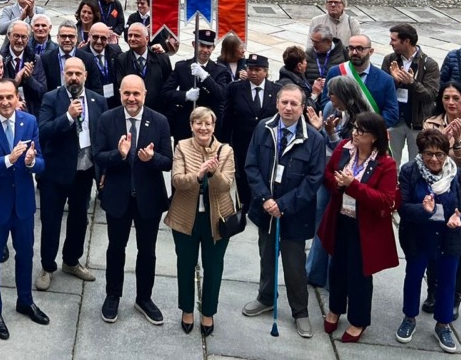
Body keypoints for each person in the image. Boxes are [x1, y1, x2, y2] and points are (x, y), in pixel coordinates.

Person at [242, 84, 326, 339]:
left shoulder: (314, 139)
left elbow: (314, 179)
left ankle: (300, 311)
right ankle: (266, 297)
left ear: (303, 108)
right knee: (266, 256)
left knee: (294, 265)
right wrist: (266, 199)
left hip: (295, 214)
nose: (288, 108)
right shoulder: (263, 128)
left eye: (294, 104)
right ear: (277, 103)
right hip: (265, 209)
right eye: (284, 102)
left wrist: (284, 204)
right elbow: (251, 166)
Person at [92, 75, 172, 325]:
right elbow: (98, 156)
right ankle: (113, 295)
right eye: (127, 93)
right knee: (116, 249)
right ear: (120, 93)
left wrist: (152, 159)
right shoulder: (108, 119)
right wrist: (119, 154)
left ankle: (144, 298)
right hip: (118, 198)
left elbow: (169, 161)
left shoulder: (159, 121)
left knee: (147, 252)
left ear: (145, 94)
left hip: (148, 199)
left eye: (136, 93)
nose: (131, 98)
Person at [0, 78, 47, 340]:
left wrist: (29, 162)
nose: (5, 102)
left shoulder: (30, 122)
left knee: (25, 255)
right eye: (0, 97)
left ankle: (25, 301)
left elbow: (41, 163)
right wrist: (8, 159)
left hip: (23, 204)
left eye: (9, 98)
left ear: (17, 98)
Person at [318, 112, 399, 343]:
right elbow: (328, 173)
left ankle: (358, 320)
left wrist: (352, 186)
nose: (354, 133)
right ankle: (334, 308)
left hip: (365, 228)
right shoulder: (344, 148)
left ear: (374, 137)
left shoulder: (386, 164)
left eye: (360, 131)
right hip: (340, 219)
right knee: (336, 268)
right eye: (354, 128)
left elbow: (384, 199)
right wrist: (339, 184)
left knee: (359, 274)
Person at [397, 129, 461, 353]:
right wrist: (422, 210)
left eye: (440, 154)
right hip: (419, 236)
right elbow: (402, 207)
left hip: (449, 238)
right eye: (428, 154)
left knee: (447, 281)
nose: (434, 159)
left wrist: (460, 219)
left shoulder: (458, 176)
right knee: (413, 277)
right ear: (420, 154)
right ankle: (409, 318)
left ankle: (443, 325)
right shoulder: (410, 172)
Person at [36, 56, 106, 291]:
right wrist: (68, 117)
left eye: (78, 73)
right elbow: (43, 132)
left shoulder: (98, 101)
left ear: (85, 75)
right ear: (63, 75)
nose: (74, 77)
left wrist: (102, 170)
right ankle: (47, 266)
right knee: (51, 221)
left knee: (79, 220)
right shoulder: (51, 98)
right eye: (69, 73)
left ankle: (71, 261)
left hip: (84, 173)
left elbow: (102, 138)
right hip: (55, 175)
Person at [419, 81, 461, 318]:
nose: (451, 103)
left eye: (456, 98)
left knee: (458, 247)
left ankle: (455, 295)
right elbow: (425, 155)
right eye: (447, 98)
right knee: (432, 244)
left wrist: (457, 143)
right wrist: (441, 140)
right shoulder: (431, 123)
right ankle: (433, 291)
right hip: (434, 192)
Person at [166, 107, 234, 336]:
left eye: (208, 124)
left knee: (214, 267)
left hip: (217, 219)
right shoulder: (182, 146)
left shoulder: (226, 151)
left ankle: (208, 312)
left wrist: (213, 174)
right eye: (198, 123)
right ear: (191, 125)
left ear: (214, 127)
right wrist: (197, 175)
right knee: (185, 264)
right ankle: (187, 310)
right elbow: (176, 181)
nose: (203, 128)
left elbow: (226, 186)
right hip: (186, 217)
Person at [220, 54, 278, 207]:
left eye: (257, 69)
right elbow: (227, 118)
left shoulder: (276, 90)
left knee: (264, 173)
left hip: (266, 143)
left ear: (265, 71)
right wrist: (224, 143)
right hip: (242, 143)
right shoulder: (235, 89)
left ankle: (262, 201)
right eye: (250, 69)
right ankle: (244, 203)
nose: (253, 73)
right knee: (243, 174)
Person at [383, 23, 441, 166]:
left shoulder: (429, 64)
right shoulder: (389, 60)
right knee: (389, 163)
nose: (391, 43)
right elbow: (381, 90)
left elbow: (430, 95)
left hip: (417, 123)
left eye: (394, 40)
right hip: (394, 121)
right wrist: (394, 81)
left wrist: (412, 83)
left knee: (417, 164)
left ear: (406, 41)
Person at [324, 35, 400, 128]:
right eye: (351, 48)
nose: (355, 52)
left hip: (372, 133)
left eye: (360, 48)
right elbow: (326, 101)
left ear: (371, 51)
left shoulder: (385, 79)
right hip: (341, 130)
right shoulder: (335, 72)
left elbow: (392, 112)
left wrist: (372, 129)